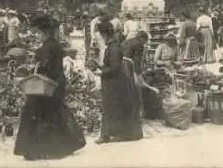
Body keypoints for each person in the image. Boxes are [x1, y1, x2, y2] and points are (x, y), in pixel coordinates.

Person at [14, 13, 85, 160]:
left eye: (38, 32)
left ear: (44, 32)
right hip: (55, 82)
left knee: (41, 113)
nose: (37, 35)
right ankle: (60, 145)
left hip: (47, 83)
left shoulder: (48, 47)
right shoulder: (54, 45)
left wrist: (34, 65)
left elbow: (45, 66)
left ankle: (42, 149)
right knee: (55, 112)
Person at [95, 18, 143, 144]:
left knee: (110, 108)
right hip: (113, 82)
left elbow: (115, 68)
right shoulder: (112, 46)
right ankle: (114, 133)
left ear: (104, 35)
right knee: (114, 109)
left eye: (101, 36)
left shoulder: (114, 48)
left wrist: (101, 71)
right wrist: (99, 66)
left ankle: (106, 135)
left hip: (114, 83)